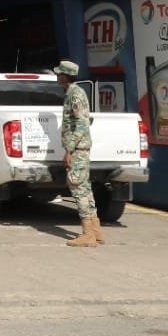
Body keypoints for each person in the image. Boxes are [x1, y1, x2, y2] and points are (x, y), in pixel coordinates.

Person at [55, 60, 101, 247]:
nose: (57, 76)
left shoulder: (75, 94)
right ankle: (96, 230)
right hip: (81, 148)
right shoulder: (74, 92)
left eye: (59, 73)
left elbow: (81, 123)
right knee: (85, 188)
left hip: (78, 150)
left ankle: (88, 234)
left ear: (66, 76)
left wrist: (69, 150)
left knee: (78, 188)